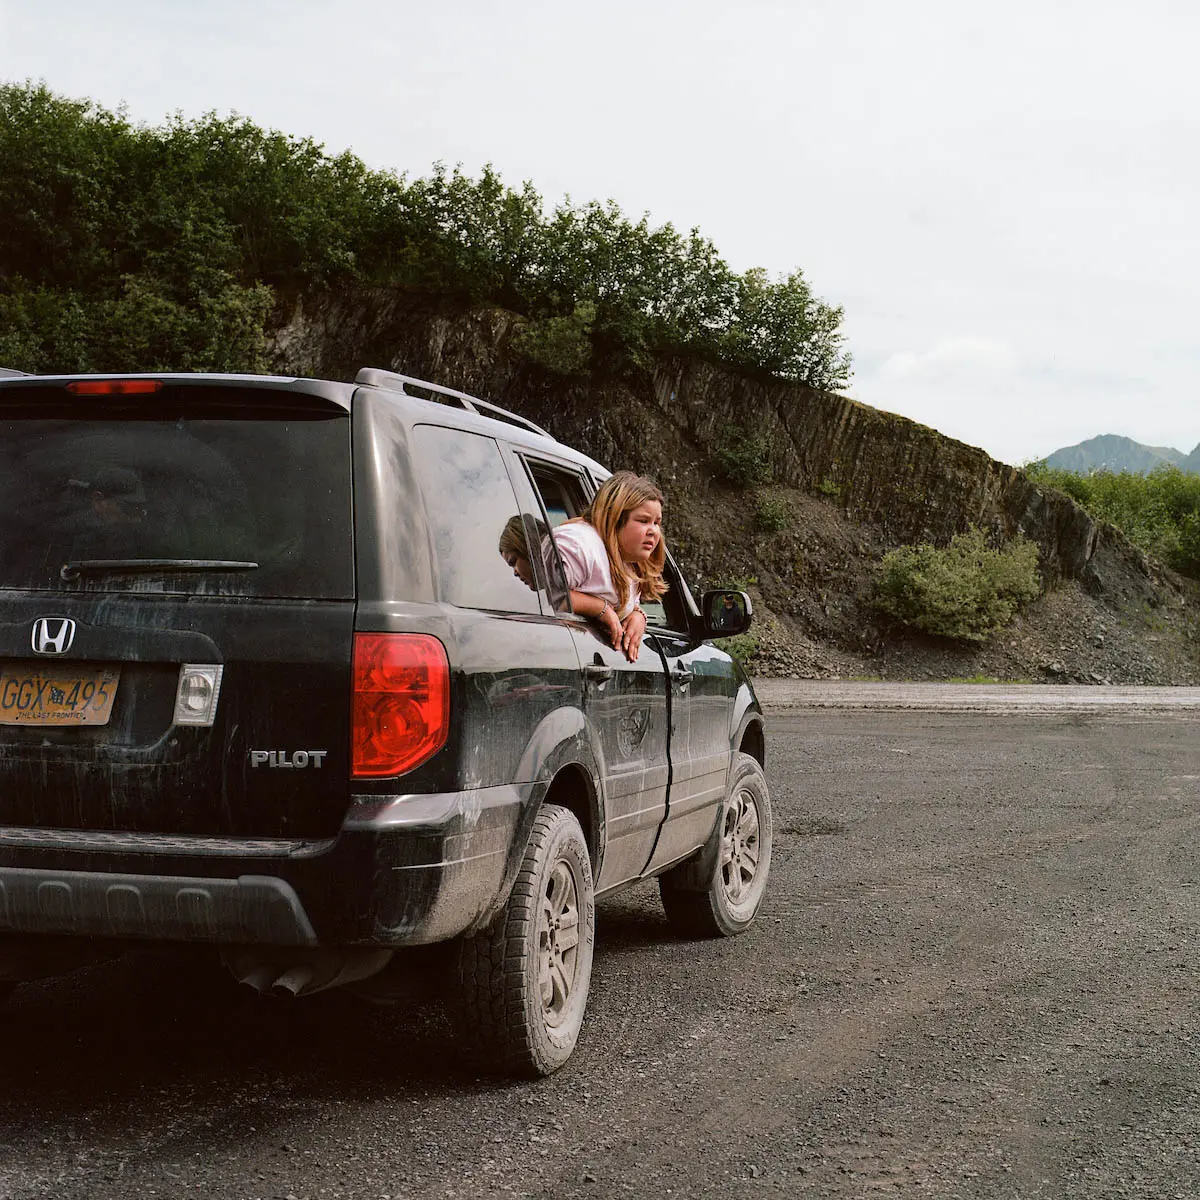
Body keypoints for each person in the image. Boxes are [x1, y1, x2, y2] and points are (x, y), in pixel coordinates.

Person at [551, 472, 668, 663]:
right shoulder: (579, 546)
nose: (653, 531)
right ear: (614, 518)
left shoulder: (630, 560)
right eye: (643, 520)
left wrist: (638, 616)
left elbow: (624, 600)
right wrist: (600, 608)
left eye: (657, 523)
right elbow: (542, 597)